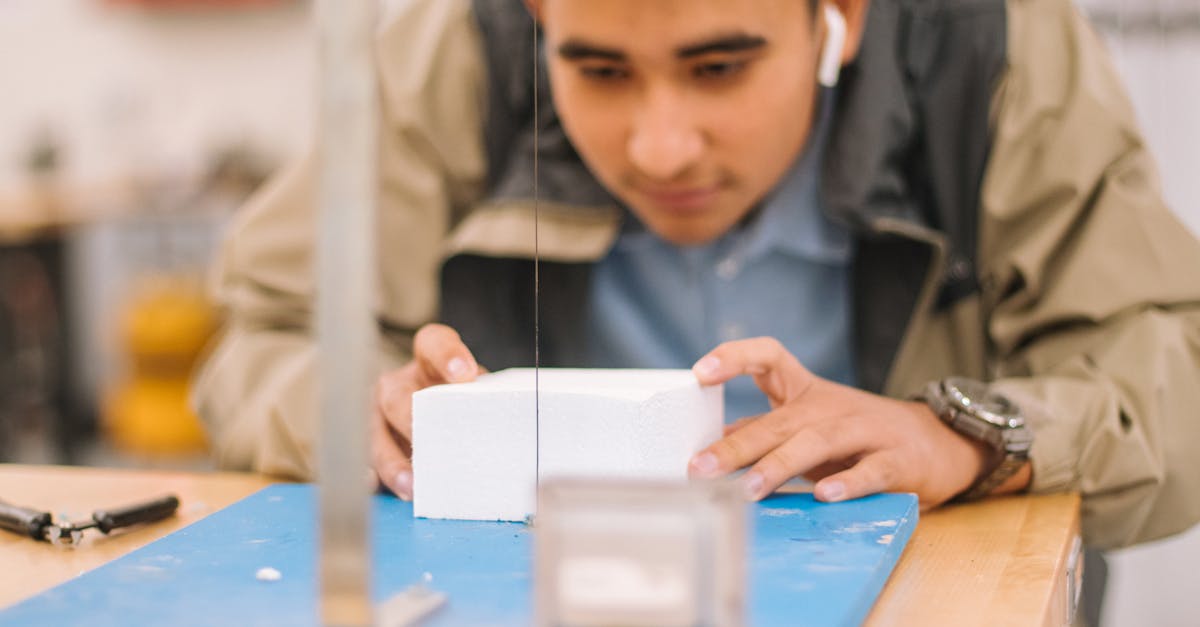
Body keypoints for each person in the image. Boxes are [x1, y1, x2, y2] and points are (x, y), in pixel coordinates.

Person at [193, 0, 1200, 551]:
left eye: (720, 67)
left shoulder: (997, 48)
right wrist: (357, 413)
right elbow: (265, 338)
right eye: (598, 70)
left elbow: (1174, 386)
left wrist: (964, 434)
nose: (662, 148)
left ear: (836, 18)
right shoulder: (456, 44)